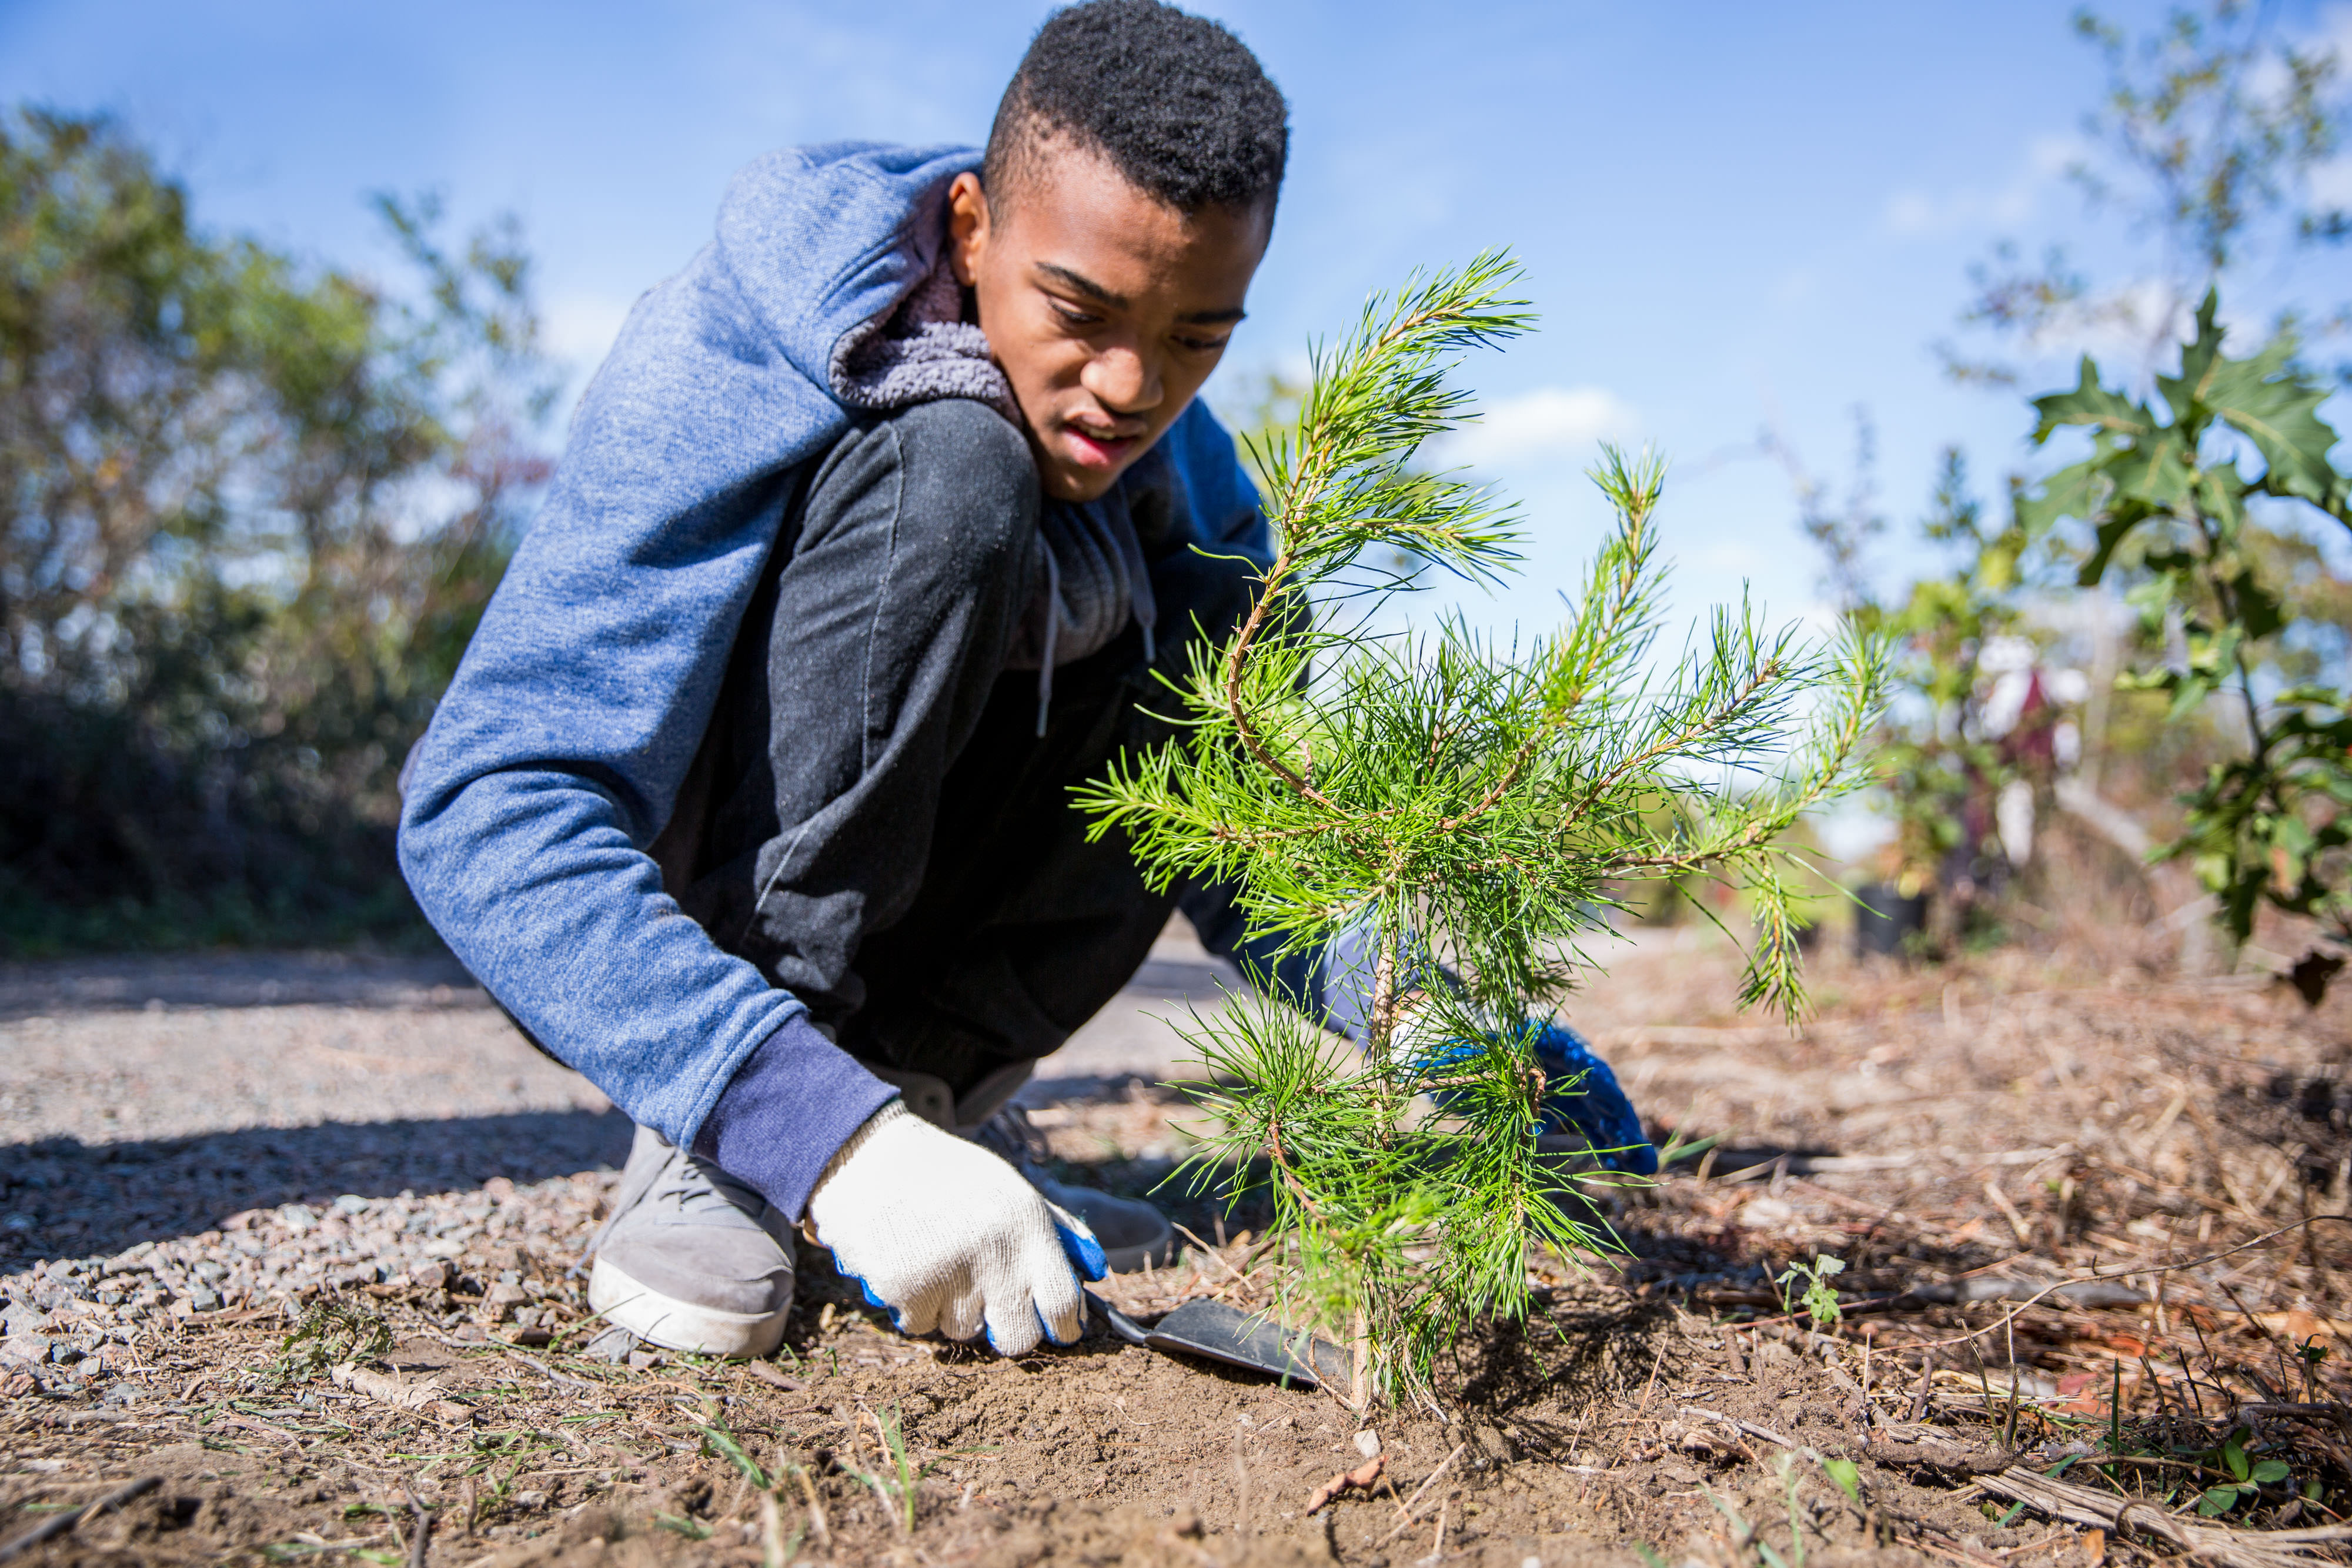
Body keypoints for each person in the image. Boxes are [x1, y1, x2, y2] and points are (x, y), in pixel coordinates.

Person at [398, 0, 1654, 1366]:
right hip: (711, 927)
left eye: (1197, 338)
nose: (1129, 385)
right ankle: (748, 1141)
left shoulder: (1192, 485)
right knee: (954, 467)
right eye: (1082, 310)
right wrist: (826, 1139)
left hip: (942, 1002)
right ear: (972, 227)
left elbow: (1229, 823)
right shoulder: (727, 352)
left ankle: (924, 1097)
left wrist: (1415, 1010)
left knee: (1187, 630)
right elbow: (485, 803)